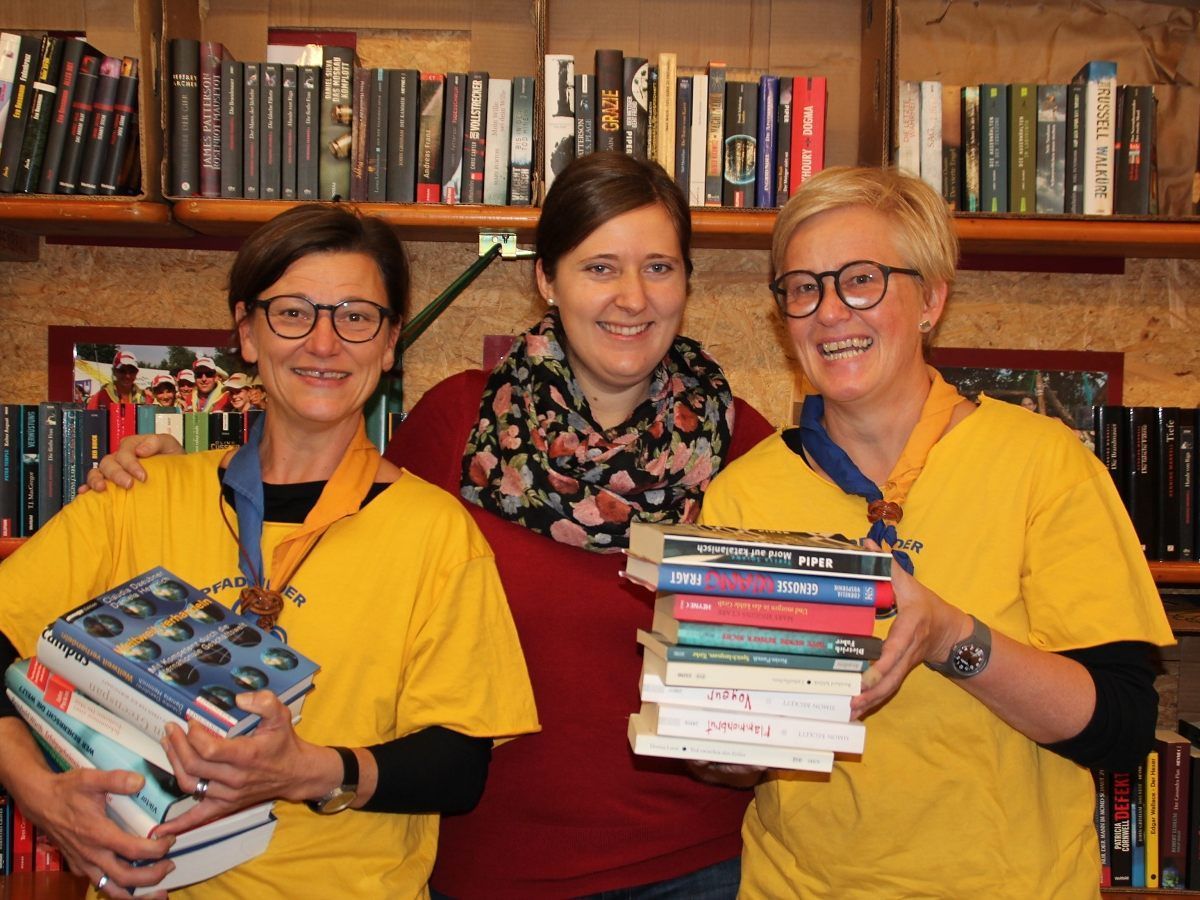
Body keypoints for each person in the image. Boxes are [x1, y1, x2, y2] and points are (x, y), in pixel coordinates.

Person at [85, 152, 775, 899]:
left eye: (660, 268)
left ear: (688, 282)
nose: (632, 298)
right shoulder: (457, 423)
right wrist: (175, 465)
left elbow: (778, 669)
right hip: (478, 867)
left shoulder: (744, 450)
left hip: (690, 868)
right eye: (600, 267)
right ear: (547, 279)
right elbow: (328, 530)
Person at [0, 204, 538, 898]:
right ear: (247, 333)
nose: (323, 343)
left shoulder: (436, 532)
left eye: (355, 316)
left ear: (389, 341)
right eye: (292, 313)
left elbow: (459, 767)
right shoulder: (138, 493)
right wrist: (38, 791)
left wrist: (307, 770)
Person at [694, 165, 1174, 897]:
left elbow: (1121, 726)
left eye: (861, 280)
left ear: (932, 300)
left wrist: (951, 636)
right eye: (803, 287)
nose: (829, 312)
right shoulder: (742, 493)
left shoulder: (1045, 465)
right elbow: (738, 749)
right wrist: (715, 738)